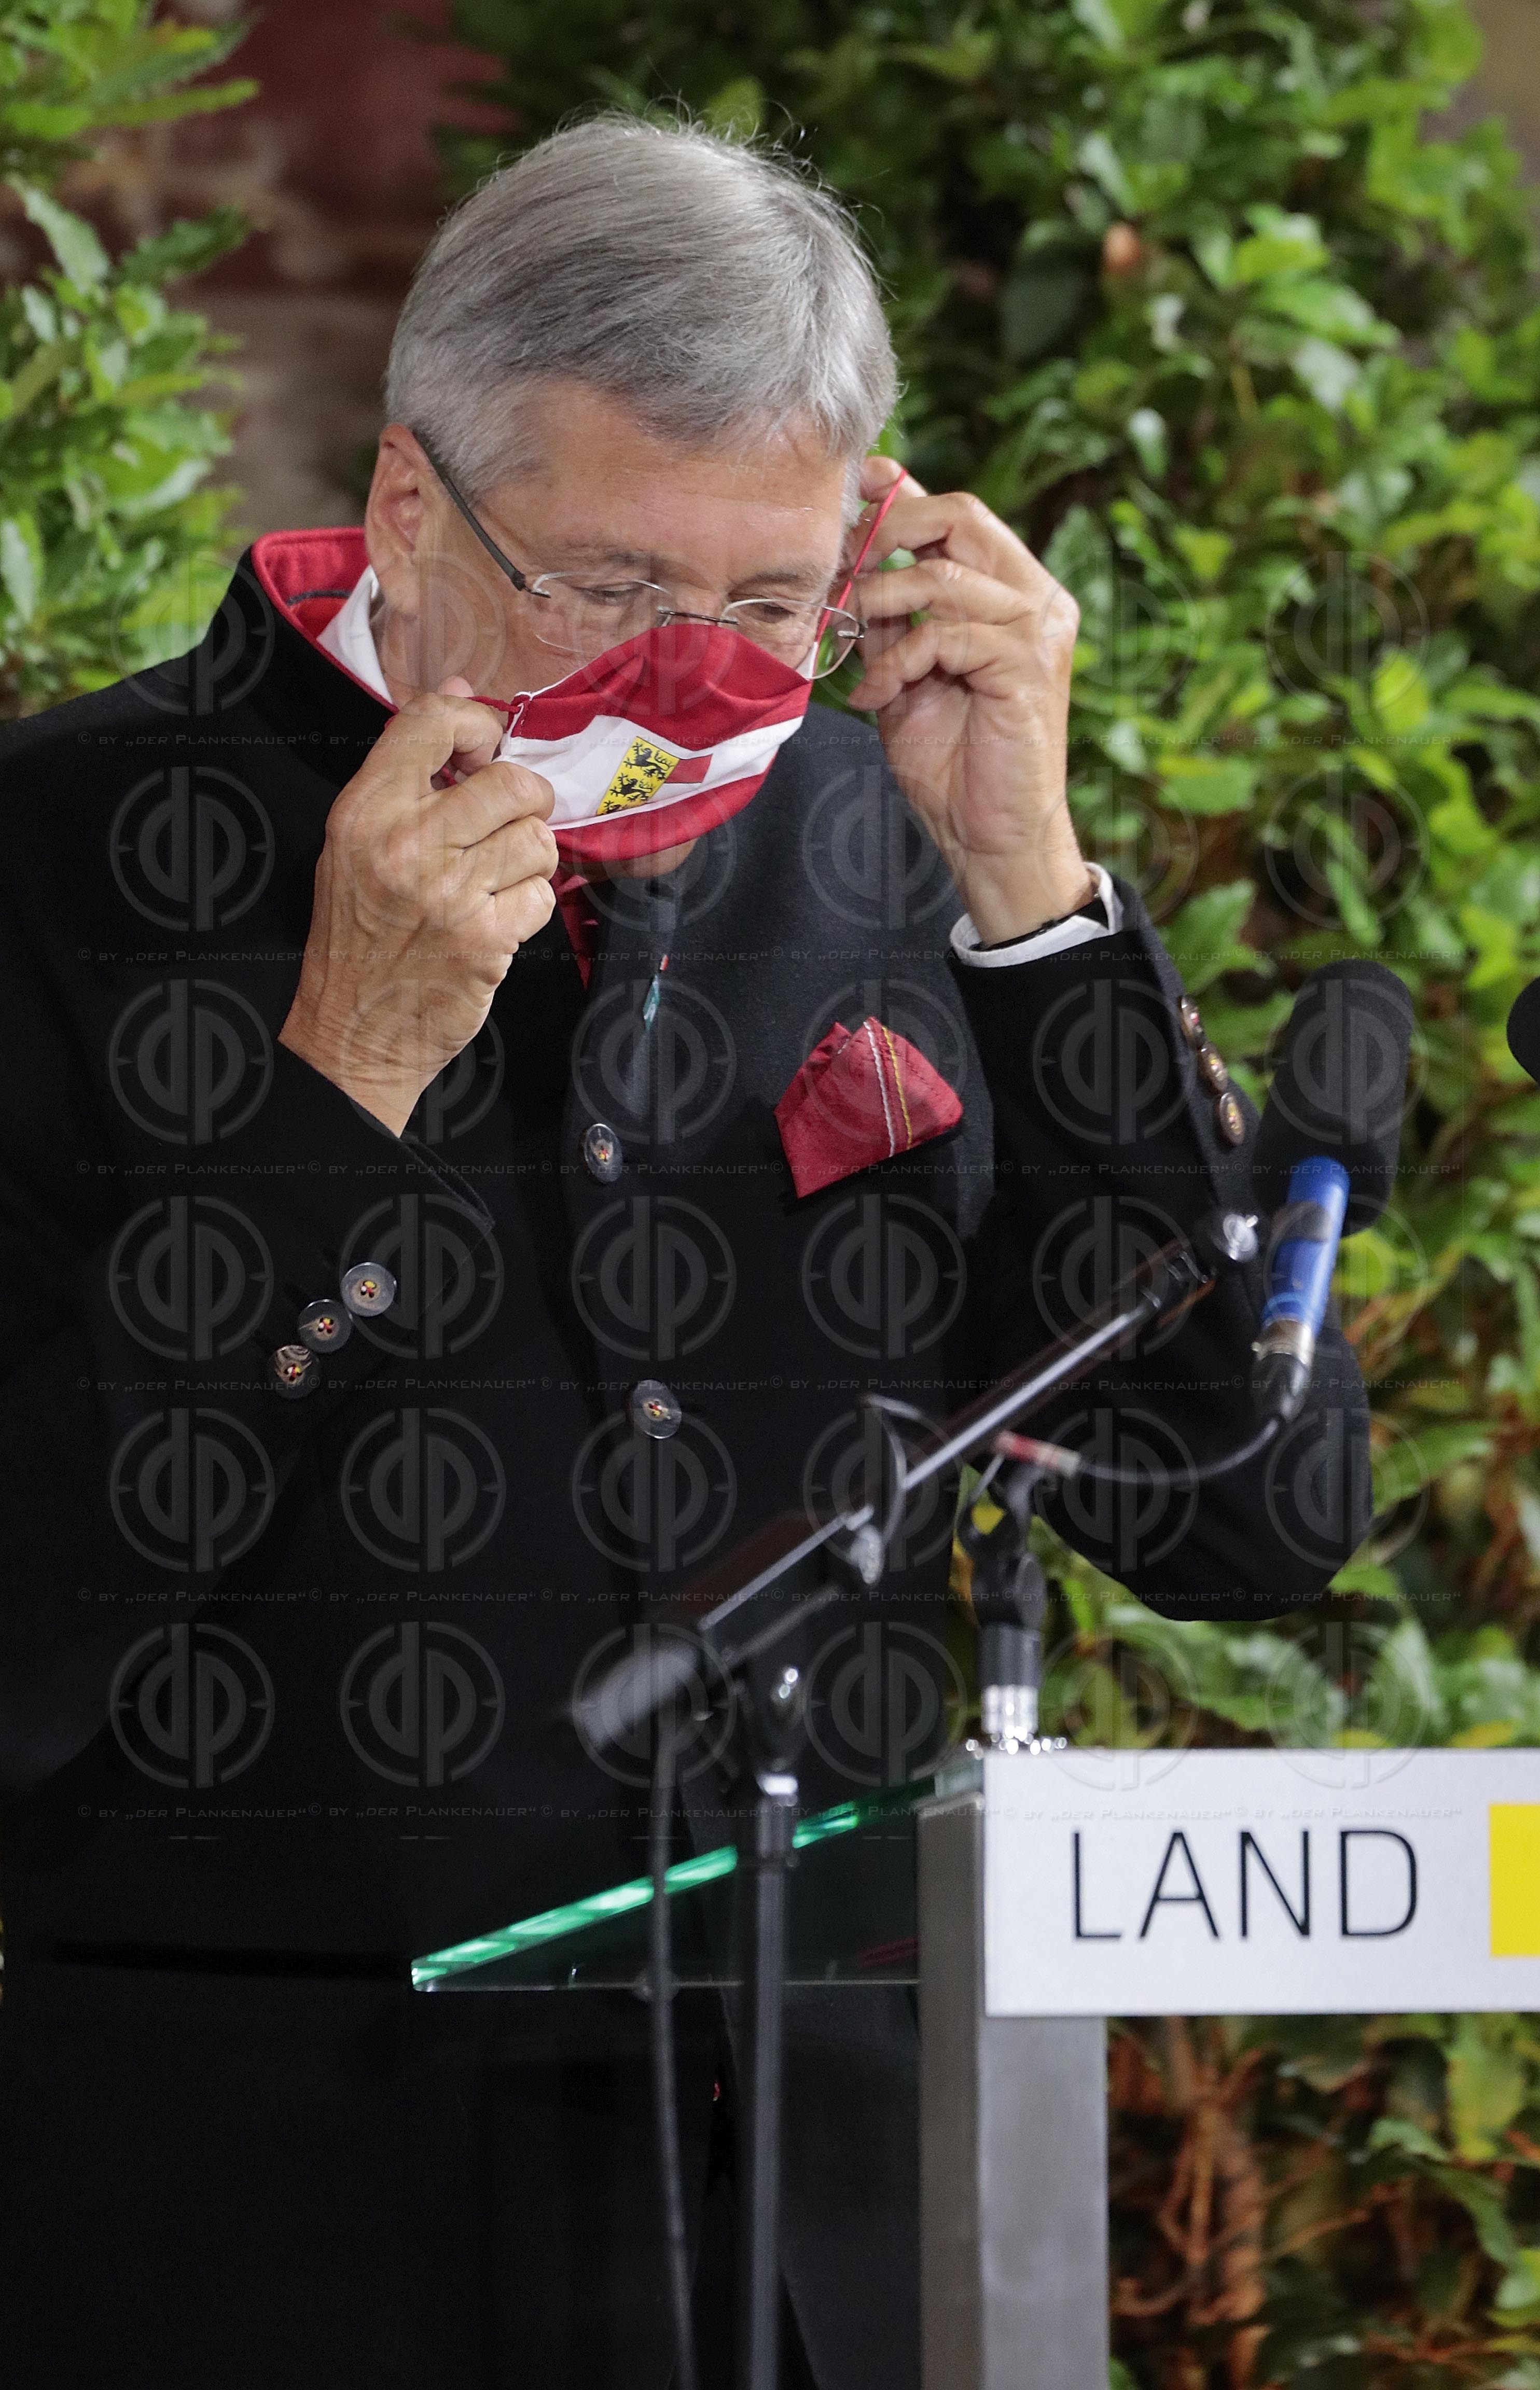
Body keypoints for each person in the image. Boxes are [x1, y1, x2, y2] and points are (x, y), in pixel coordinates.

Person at [0, 114, 1367, 2389]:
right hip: (260, 2236)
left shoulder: (897, 819)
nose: (712, 677)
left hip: (844, 2241)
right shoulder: (56, 857)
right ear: (416, 504)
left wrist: (1035, 906)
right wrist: (324, 1093)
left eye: (771, 603)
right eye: (619, 593)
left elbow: (1236, 1519)